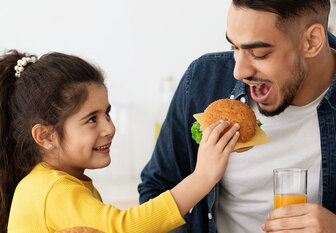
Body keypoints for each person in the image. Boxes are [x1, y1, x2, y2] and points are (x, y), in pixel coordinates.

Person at [138, 0, 336, 232]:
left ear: (312, 41)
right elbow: (157, 188)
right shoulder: (203, 80)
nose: (239, 71)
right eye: (235, 48)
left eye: (259, 53)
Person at [0, 50, 242, 233]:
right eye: (91, 120)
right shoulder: (53, 190)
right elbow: (125, 228)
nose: (109, 128)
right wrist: (203, 177)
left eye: (106, 113)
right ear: (46, 136)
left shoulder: (55, 183)